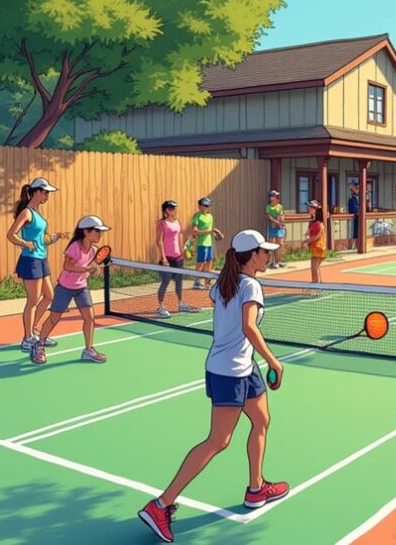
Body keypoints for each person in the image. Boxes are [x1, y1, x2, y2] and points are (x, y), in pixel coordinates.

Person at [138, 229, 288, 543]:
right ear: (252, 256)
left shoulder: (224, 283)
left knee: (262, 421)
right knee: (218, 441)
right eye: (264, 251)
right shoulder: (250, 286)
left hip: (243, 369)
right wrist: (274, 361)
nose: (268, 255)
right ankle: (161, 504)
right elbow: (248, 327)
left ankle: (256, 488)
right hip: (229, 373)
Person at [29, 216, 111, 365]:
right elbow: (67, 266)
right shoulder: (75, 247)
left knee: (89, 318)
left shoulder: (93, 251)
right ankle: (39, 345)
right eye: (98, 231)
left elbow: (87, 270)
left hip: (82, 287)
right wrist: (85, 268)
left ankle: (88, 350)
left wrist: (92, 270)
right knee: (54, 318)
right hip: (65, 287)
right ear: (86, 231)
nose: (100, 234)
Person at [6, 177, 68, 352]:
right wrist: (26, 244)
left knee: (49, 296)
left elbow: (43, 239)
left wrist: (56, 237)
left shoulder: (38, 214)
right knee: (33, 300)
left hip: (41, 259)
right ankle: (27, 338)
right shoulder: (26, 213)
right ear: (37, 192)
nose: (47, 195)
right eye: (46, 192)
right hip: (30, 260)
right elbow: (11, 235)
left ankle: (33, 331)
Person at [156, 200, 197, 318]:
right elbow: (158, 241)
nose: (176, 210)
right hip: (167, 258)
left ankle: (180, 304)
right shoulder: (162, 224)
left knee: (179, 282)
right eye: (173, 208)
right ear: (167, 210)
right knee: (165, 282)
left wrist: (183, 251)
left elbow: (179, 237)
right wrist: (163, 257)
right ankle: (161, 307)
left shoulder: (177, 222)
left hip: (178, 257)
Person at [189, 197, 223, 291]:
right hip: (201, 243)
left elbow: (211, 231)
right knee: (200, 263)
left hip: (209, 243)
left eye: (208, 206)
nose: (207, 207)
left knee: (209, 262)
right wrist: (207, 232)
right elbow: (194, 231)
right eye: (205, 205)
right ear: (200, 206)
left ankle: (207, 282)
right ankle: (197, 281)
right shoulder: (197, 216)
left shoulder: (210, 216)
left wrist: (214, 234)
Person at [303, 200, 326, 283]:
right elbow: (310, 233)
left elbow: (316, 237)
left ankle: (317, 285)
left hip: (319, 247)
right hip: (314, 247)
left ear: (316, 210)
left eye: (311, 207)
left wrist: (305, 241)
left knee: (315, 267)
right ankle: (315, 284)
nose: (309, 208)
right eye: (309, 207)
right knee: (314, 267)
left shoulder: (319, 224)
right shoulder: (313, 222)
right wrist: (307, 234)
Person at [264, 190, 286, 269]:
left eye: (276, 196)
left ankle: (278, 261)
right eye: (273, 196)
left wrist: (281, 221)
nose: (274, 198)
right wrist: (276, 222)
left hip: (279, 228)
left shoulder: (280, 206)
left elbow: (281, 215)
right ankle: (271, 262)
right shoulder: (268, 207)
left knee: (279, 245)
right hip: (272, 227)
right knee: (272, 244)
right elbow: (268, 216)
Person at [348, 182, 360, 250]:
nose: (357, 190)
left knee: (357, 233)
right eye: (356, 189)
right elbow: (353, 210)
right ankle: (353, 246)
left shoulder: (358, 199)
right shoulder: (351, 199)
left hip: (358, 219)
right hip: (354, 219)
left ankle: (357, 246)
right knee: (353, 233)